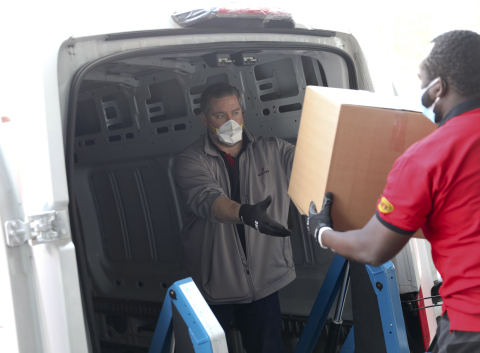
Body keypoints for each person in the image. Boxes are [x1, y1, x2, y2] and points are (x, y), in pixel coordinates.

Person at [307, 30, 480, 353]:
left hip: (472, 327)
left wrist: (321, 231)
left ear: (438, 88)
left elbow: (373, 248)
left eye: (422, 81)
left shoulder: (427, 157)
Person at [174, 82, 296, 352]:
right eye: (220, 116)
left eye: (236, 112)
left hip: (264, 281)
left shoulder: (273, 149)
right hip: (214, 283)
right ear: (205, 119)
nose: (231, 121)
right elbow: (208, 200)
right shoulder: (191, 160)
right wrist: (245, 213)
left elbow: (308, 163)